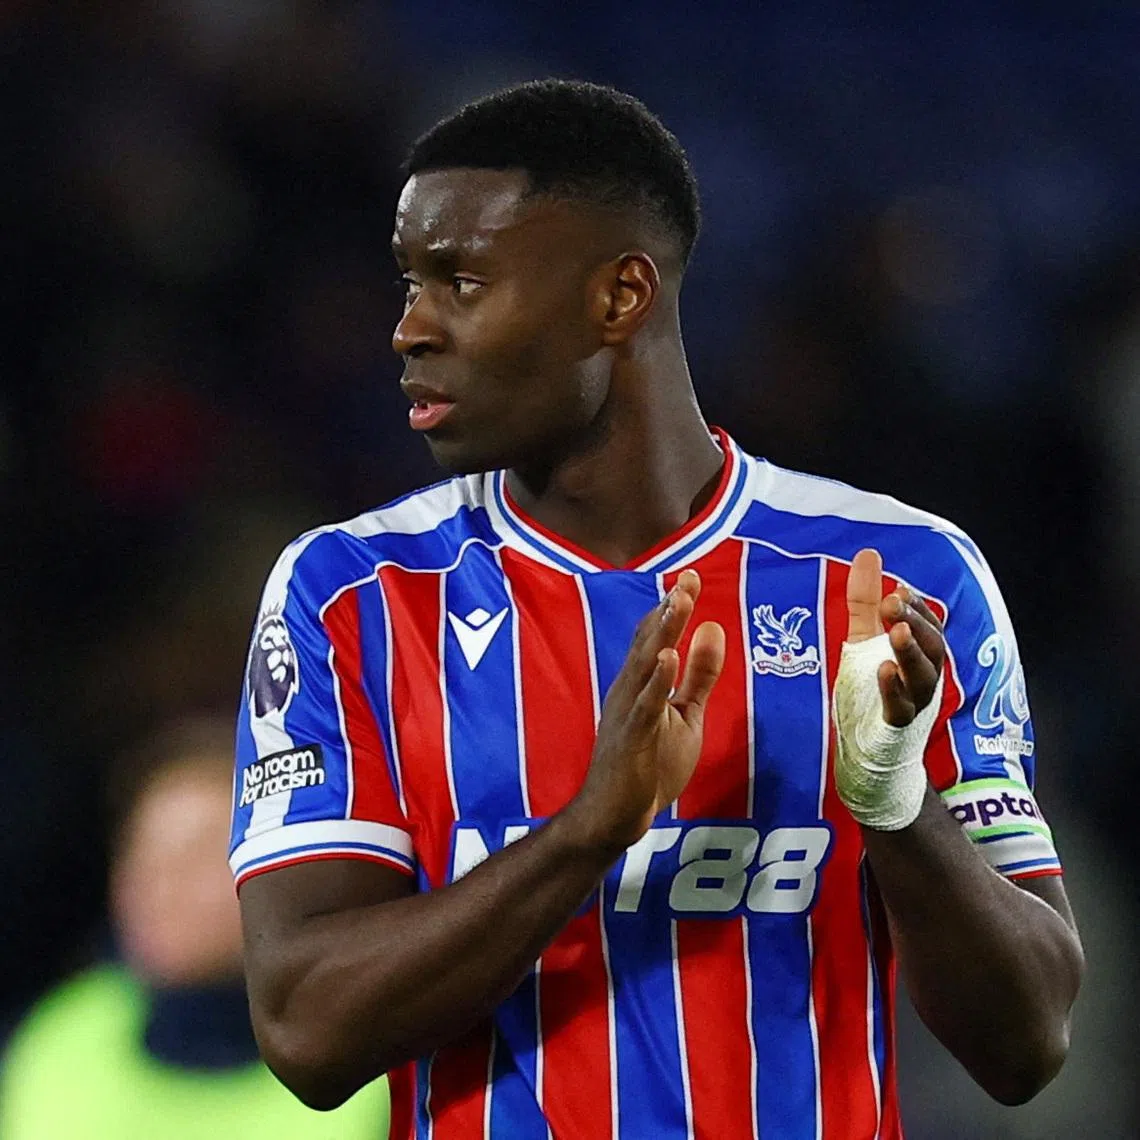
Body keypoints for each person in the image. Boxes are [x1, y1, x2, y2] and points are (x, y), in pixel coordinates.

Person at [230, 80, 1084, 1139]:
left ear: (620, 296)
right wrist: (587, 833)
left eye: (460, 280)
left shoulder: (901, 577)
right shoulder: (353, 595)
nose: (409, 328)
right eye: (409, 281)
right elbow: (306, 1032)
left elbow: (1030, 1040)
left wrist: (892, 798)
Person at [1, 717, 388, 1139]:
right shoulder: (60, 1035)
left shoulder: (373, 1063)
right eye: (142, 853)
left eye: (197, 855)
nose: (158, 885)